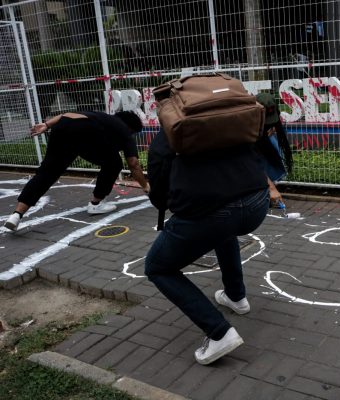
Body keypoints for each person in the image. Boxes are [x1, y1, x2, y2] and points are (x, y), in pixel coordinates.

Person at [144, 128, 269, 365]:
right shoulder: (226, 115)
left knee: (157, 267)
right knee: (224, 233)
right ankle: (236, 297)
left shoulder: (174, 127)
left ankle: (219, 332)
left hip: (211, 212)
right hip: (257, 201)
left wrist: (166, 201)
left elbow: (159, 181)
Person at [3, 111, 150, 231]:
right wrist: (146, 186)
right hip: (83, 134)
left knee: (46, 174)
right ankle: (96, 204)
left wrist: (46, 125)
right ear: (131, 128)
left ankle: (16, 215)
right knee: (114, 163)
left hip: (62, 128)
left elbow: (65, 115)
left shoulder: (99, 116)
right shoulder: (124, 130)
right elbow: (134, 163)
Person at [255, 93, 294, 207]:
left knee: (271, 143)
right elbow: (252, 163)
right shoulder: (243, 128)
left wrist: (270, 129)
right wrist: (271, 188)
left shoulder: (268, 132)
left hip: (259, 142)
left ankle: (264, 191)